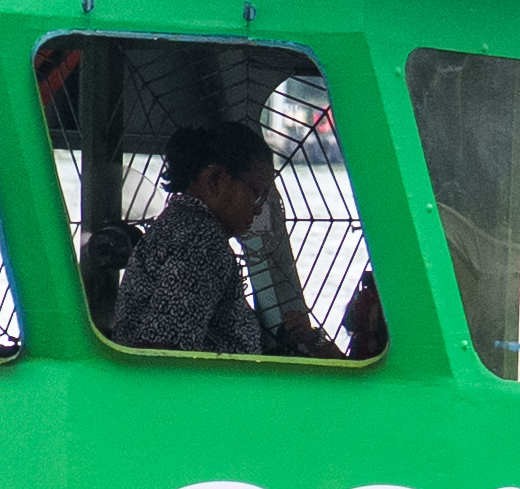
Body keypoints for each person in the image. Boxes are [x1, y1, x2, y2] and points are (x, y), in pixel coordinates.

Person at [111, 120, 351, 359]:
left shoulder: (176, 224)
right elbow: (165, 354)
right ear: (216, 179)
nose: (259, 209)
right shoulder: (202, 244)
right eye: (255, 194)